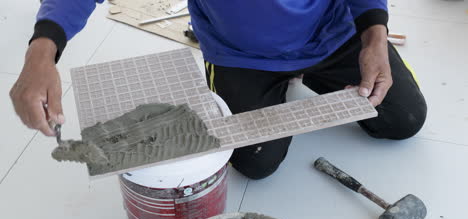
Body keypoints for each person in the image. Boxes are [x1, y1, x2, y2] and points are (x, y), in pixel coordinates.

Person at [10, 0, 427, 179]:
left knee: (404, 119)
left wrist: (374, 37)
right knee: (255, 164)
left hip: (335, 38)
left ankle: (302, 75)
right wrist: (41, 52)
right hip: (240, 53)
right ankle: (277, 83)